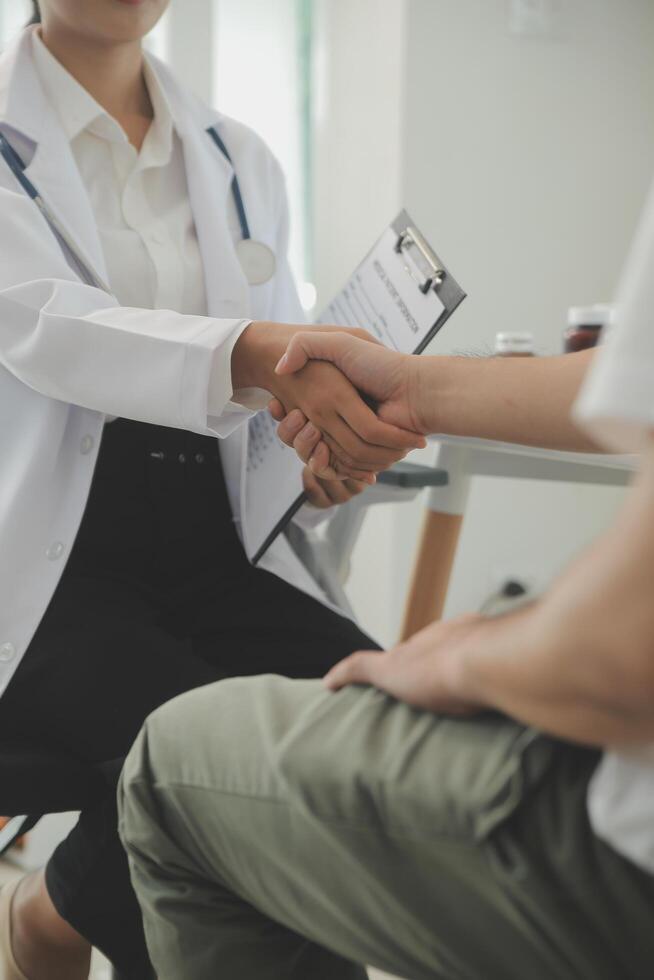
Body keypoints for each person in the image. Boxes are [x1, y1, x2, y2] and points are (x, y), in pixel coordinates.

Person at [118, 175, 654, 978]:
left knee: (169, 764)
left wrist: (455, 655)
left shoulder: (243, 161)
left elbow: (617, 655)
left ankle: (41, 916)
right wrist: (409, 388)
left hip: (622, 863)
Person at [0, 2, 425, 978]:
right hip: (43, 562)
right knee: (241, 777)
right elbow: (44, 326)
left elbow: (267, 401)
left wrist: (323, 452)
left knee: (377, 728)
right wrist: (262, 354)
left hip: (214, 544)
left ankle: (56, 910)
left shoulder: (239, 157)